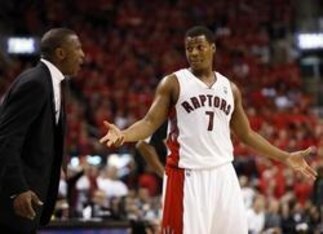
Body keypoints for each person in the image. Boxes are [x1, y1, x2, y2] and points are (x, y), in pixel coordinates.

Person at [100, 26, 317, 234]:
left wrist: (285, 157)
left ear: (212, 48)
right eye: (189, 48)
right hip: (188, 175)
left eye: (199, 47)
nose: (193, 53)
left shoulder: (230, 88)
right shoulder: (173, 83)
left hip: (224, 173)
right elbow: (149, 123)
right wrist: (124, 134)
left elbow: (247, 134)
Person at [0, 28, 84, 233]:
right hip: (16, 204)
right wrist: (18, 189)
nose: (83, 55)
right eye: (78, 48)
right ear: (61, 53)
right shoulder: (35, 83)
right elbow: (6, 139)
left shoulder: (50, 82)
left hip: (31, 202)